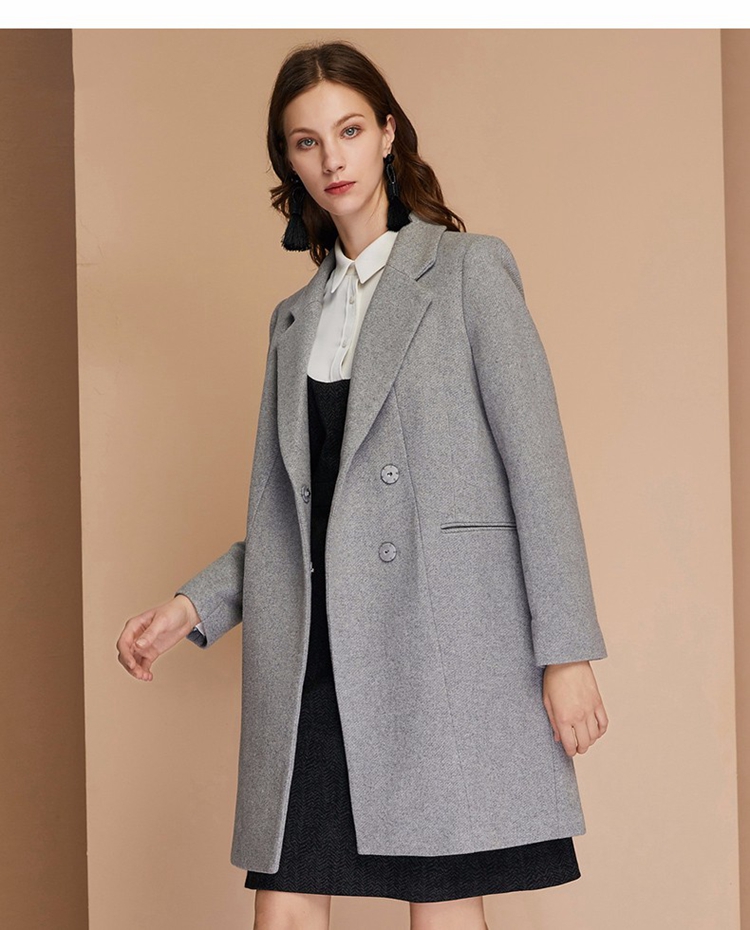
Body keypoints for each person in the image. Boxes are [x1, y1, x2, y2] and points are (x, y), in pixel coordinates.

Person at [116, 39, 610, 930]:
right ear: (289, 162)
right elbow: (293, 523)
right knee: (286, 904)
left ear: (387, 134)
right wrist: (192, 607)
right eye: (306, 142)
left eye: (348, 131)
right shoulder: (292, 322)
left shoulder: (468, 272)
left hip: (434, 644)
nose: (331, 158)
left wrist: (565, 652)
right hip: (313, 655)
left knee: (441, 905)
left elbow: (539, 471)